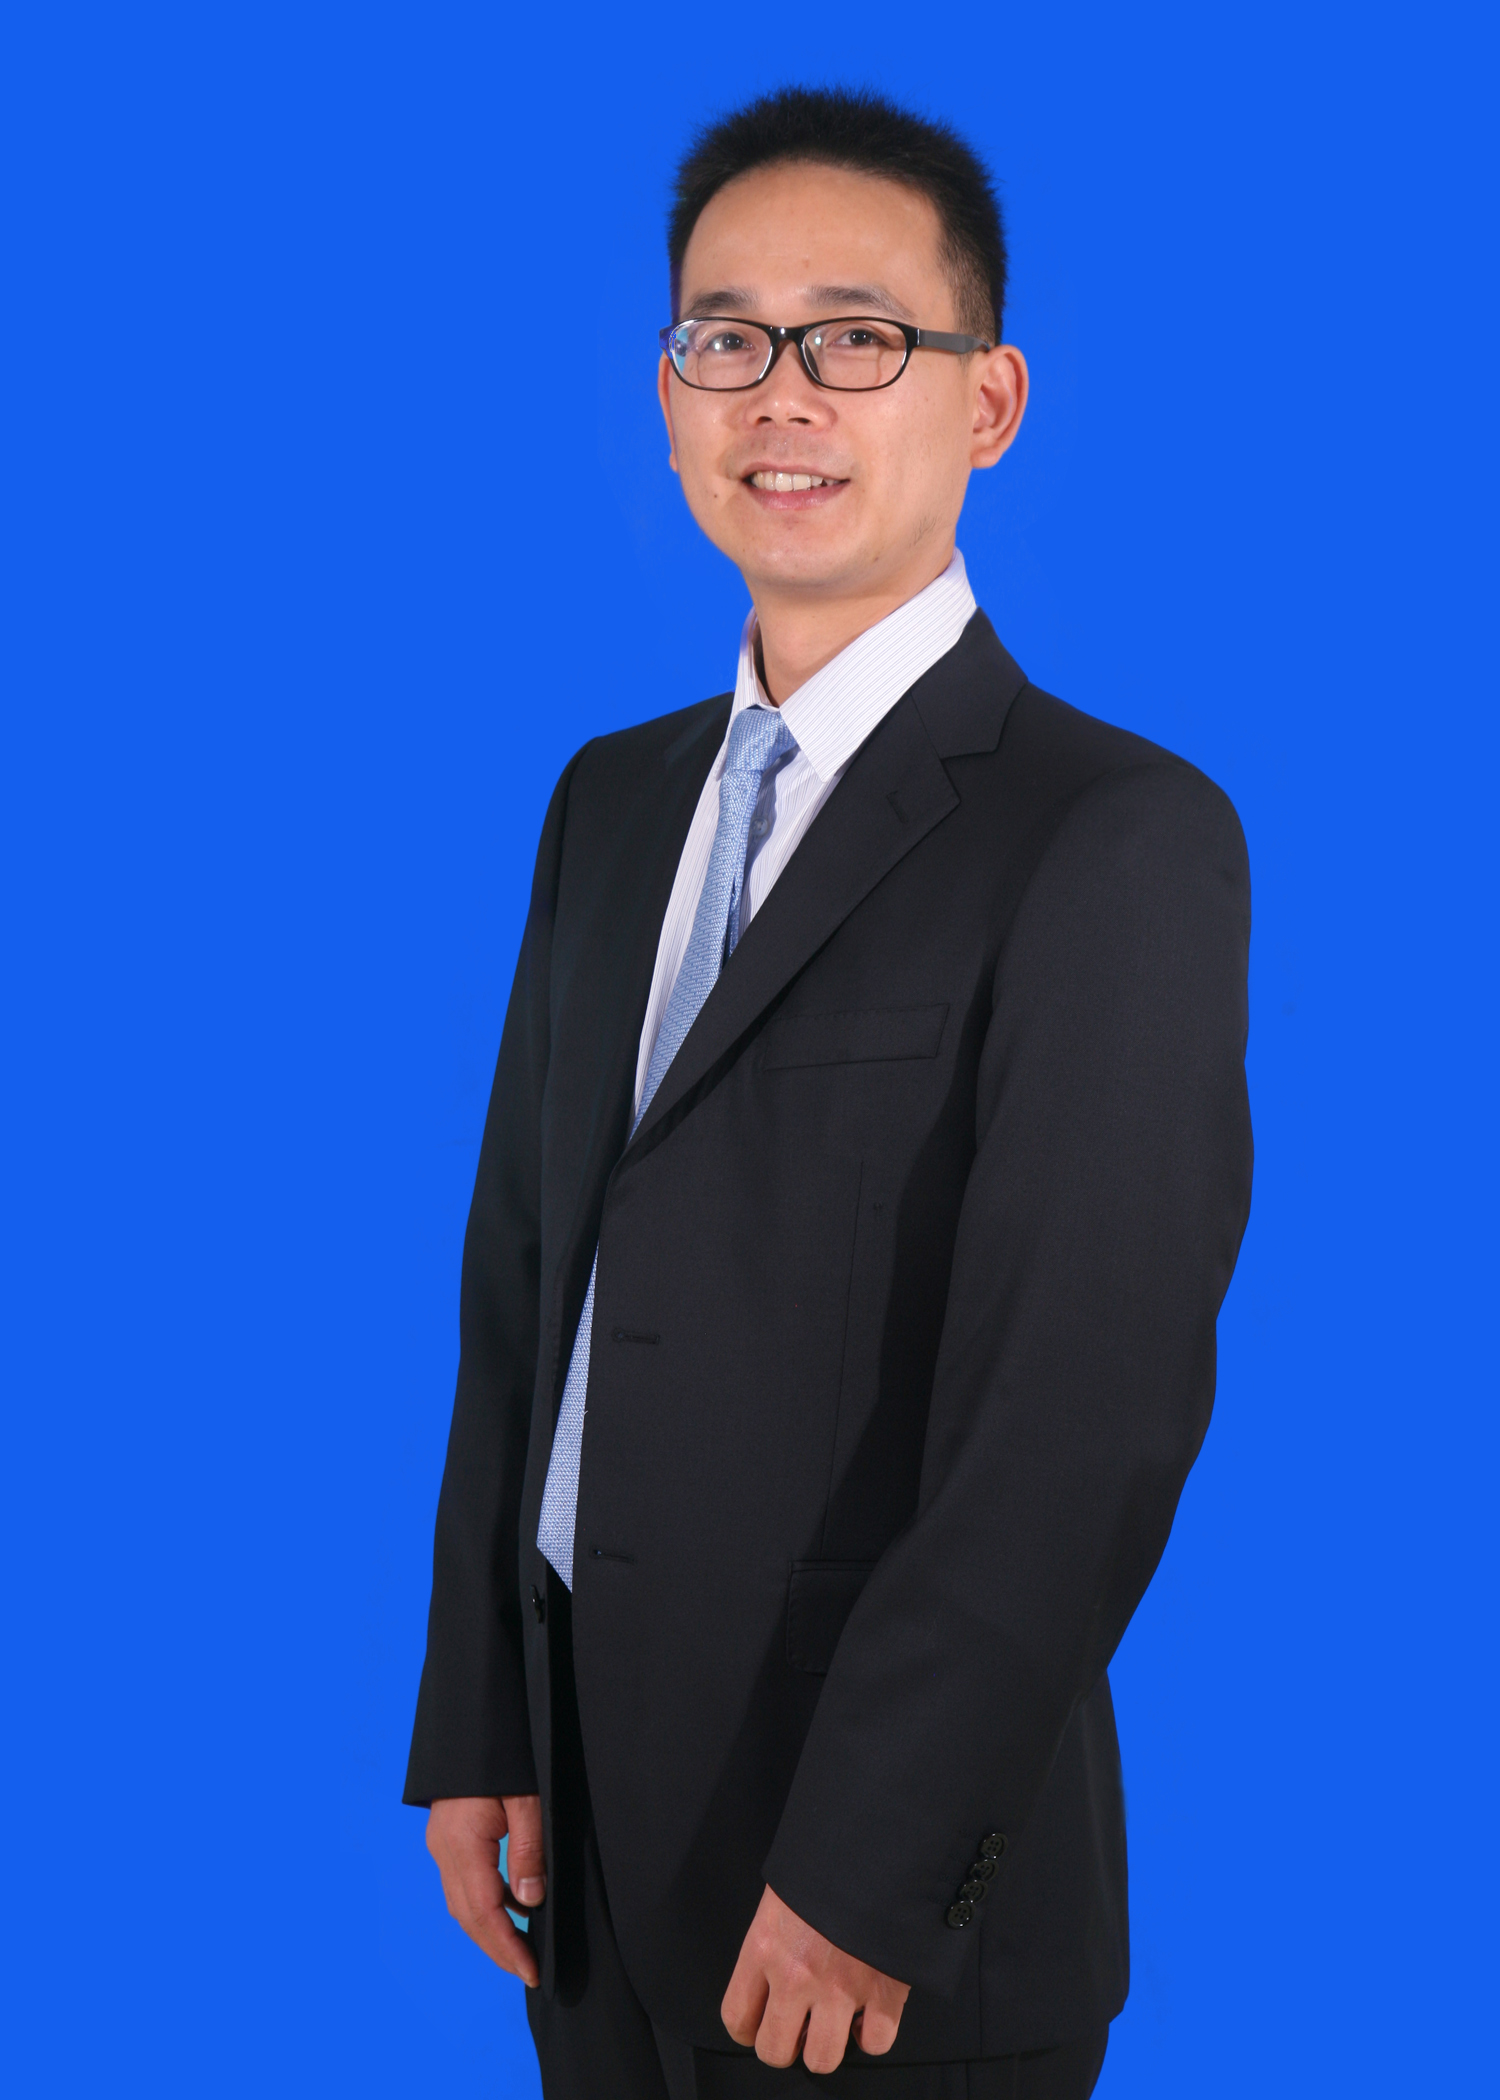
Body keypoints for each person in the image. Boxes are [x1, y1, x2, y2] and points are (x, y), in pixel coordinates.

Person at [404, 85, 1252, 2100]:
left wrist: (882, 1863)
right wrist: (482, 1719)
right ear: (670, 390)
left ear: (989, 400)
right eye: (728, 337)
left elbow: (1082, 1419)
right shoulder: (611, 803)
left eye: (859, 337)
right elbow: (525, 1288)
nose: (782, 394)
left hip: (873, 1905)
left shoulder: (1110, 833)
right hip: (587, 1845)